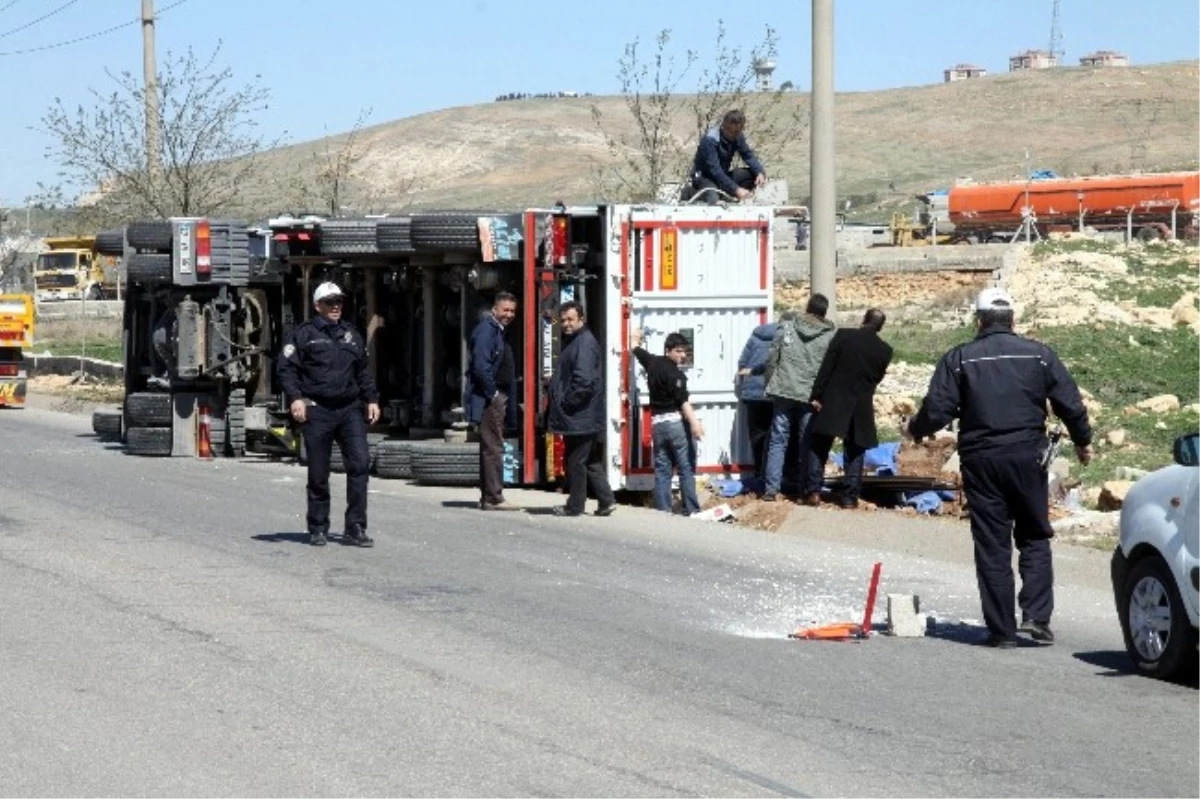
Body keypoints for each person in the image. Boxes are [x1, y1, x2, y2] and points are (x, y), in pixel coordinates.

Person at [906, 288, 1093, 649]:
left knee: (992, 544)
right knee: (1034, 534)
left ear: (978, 321)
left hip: (981, 460)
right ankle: (1037, 617)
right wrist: (1083, 441)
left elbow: (938, 410)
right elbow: (1069, 402)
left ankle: (1002, 630)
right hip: (1028, 458)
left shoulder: (960, 359)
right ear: (1013, 321)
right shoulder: (1040, 355)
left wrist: (915, 430)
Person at [278, 282, 380, 548]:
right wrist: (296, 398)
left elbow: (363, 372)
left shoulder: (351, 335)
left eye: (339, 302)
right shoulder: (304, 335)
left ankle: (355, 527)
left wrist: (372, 399)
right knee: (319, 472)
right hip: (318, 409)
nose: (336, 307)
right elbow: (287, 370)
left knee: (360, 465)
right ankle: (318, 527)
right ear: (317, 306)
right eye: (330, 302)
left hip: (349, 409)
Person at [808, 309, 894, 509]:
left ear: (864, 320)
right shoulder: (885, 350)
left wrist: (817, 395)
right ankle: (849, 497)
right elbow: (876, 379)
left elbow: (826, 366)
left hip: (833, 398)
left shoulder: (844, 335)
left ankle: (813, 491)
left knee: (819, 444)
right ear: (880, 327)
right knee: (856, 449)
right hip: (861, 402)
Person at [761, 294, 837, 502]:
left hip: (783, 390)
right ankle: (805, 491)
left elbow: (772, 359)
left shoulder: (787, 327)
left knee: (778, 440)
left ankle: (771, 489)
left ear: (807, 307)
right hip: (809, 395)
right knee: (806, 442)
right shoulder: (830, 336)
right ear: (824, 312)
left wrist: (769, 384)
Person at [547, 302, 616, 517]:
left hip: (579, 415)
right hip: (582, 415)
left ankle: (575, 506)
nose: (566, 324)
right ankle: (606, 500)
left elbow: (584, 381)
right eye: (563, 320)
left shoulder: (584, 343)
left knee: (575, 461)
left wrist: (567, 402)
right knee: (590, 459)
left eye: (570, 319)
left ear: (581, 319)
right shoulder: (576, 341)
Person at [630, 327, 705, 515]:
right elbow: (683, 402)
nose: (682, 355)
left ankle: (662, 511)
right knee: (686, 468)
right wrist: (695, 423)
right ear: (668, 350)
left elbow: (636, 350)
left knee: (662, 470)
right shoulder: (677, 376)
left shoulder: (653, 363)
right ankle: (692, 509)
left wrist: (635, 338)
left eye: (684, 351)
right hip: (675, 424)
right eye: (678, 351)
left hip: (657, 425)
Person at [466, 292, 520, 511]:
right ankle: (493, 497)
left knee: (492, 445)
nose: (509, 315)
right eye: (505, 310)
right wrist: (493, 394)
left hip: (496, 395)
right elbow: (480, 366)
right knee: (493, 446)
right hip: (490, 398)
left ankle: (489, 495)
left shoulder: (497, 330)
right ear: (494, 309)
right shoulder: (487, 331)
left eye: (512, 311)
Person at [685, 109, 767, 204]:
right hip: (703, 177)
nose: (733, 135)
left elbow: (748, 155)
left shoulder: (738, 136)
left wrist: (759, 172)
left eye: (737, 131)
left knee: (752, 174)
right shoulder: (710, 140)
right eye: (731, 131)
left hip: (722, 176)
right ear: (724, 126)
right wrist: (736, 189)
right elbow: (715, 170)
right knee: (713, 198)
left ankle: (726, 196)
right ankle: (690, 193)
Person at [735, 321, 778, 490]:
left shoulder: (756, 337)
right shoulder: (785, 338)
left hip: (752, 393)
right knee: (774, 437)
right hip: (772, 392)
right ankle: (771, 475)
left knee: (757, 434)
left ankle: (759, 472)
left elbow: (743, 362)